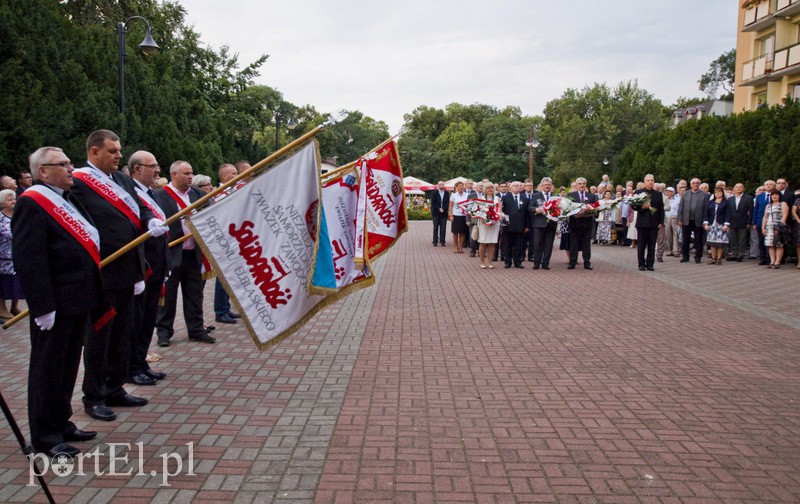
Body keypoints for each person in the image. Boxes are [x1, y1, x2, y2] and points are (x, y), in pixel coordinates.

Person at [13, 146, 103, 457]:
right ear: (43, 172)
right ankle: (44, 436)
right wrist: (42, 306)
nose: (70, 168)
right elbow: (29, 260)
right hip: (55, 304)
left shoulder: (67, 198)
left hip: (77, 300)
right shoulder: (32, 203)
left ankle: (61, 422)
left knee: (66, 367)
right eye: (62, 164)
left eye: (69, 162)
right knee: (47, 370)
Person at [71, 130, 166, 422]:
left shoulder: (122, 180)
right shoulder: (78, 183)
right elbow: (79, 224)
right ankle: (94, 396)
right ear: (94, 151)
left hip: (129, 271)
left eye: (119, 151)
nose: (118, 156)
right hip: (103, 274)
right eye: (112, 151)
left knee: (123, 334)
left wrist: (150, 220)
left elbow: (137, 210)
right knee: (100, 337)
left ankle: (115, 388)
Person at [156, 160, 214, 345]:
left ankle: (196, 330)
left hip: (193, 253)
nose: (190, 176)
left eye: (191, 173)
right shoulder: (160, 195)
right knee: (169, 295)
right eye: (186, 173)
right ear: (174, 175)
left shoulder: (197, 194)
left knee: (195, 294)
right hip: (172, 252)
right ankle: (164, 333)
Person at [127, 151, 169, 387]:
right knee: (137, 320)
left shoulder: (152, 193)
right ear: (136, 169)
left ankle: (142, 362)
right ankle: (132, 366)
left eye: (157, 165)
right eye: (151, 166)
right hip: (142, 269)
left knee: (148, 320)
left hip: (157, 268)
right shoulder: (129, 194)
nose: (157, 171)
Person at [211, 164, 240, 324]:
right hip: (224, 242)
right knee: (223, 277)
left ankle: (225, 307)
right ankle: (220, 311)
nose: (237, 176)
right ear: (224, 177)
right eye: (234, 173)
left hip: (233, 240)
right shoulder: (220, 194)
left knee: (229, 277)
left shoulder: (231, 192)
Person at [632, 174, 665, 271]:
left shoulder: (658, 194)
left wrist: (661, 222)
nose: (650, 182)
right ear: (644, 181)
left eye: (652, 180)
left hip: (654, 223)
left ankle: (650, 264)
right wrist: (642, 207)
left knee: (651, 245)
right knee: (641, 245)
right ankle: (641, 264)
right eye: (648, 180)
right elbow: (633, 206)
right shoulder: (638, 192)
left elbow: (661, 209)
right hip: (642, 223)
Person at [0, 189, 24, 319]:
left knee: (17, 281)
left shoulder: (17, 215)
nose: (13, 201)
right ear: (2, 203)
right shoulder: (0, 218)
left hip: (18, 255)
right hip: (4, 257)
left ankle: (14, 307)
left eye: (14, 199)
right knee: (4, 283)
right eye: (9, 200)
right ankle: (2, 309)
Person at [528, 177, 557, 269]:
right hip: (539, 223)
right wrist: (536, 209)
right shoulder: (536, 195)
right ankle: (536, 263)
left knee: (549, 244)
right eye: (545, 185)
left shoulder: (555, 196)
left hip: (551, 223)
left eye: (549, 185)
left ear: (551, 186)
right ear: (541, 186)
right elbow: (530, 207)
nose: (547, 186)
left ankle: (546, 263)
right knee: (537, 243)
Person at [677, 178, 709, 264]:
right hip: (686, 220)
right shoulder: (685, 194)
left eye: (697, 183)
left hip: (698, 220)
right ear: (690, 185)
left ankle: (698, 257)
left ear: (699, 184)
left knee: (698, 240)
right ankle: (685, 256)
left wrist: (705, 221)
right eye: (693, 183)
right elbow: (681, 207)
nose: (695, 184)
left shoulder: (705, 195)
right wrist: (679, 219)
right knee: (685, 240)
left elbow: (706, 209)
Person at [567, 178, 597, 270]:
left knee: (586, 244)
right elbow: (567, 209)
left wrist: (589, 211)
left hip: (587, 223)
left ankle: (587, 262)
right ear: (576, 185)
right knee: (574, 243)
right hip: (574, 223)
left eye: (583, 183)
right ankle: (572, 262)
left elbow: (596, 210)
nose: (582, 185)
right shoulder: (571, 195)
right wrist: (576, 213)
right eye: (580, 184)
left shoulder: (591, 196)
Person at [500, 181, 528, 268]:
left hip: (520, 225)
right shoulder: (505, 198)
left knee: (519, 245)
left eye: (518, 186)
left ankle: (518, 262)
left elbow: (527, 213)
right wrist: (502, 224)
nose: (517, 187)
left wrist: (527, 226)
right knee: (507, 244)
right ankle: (508, 261)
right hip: (508, 225)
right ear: (510, 188)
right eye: (514, 185)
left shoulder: (525, 198)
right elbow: (501, 211)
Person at [476, 184, 503, 269]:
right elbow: (477, 210)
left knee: (492, 242)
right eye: (487, 188)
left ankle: (490, 262)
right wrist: (484, 219)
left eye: (491, 188)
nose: (490, 189)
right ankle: (482, 262)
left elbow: (499, 210)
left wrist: (496, 218)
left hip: (495, 223)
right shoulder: (481, 199)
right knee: (483, 242)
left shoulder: (497, 199)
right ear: (484, 189)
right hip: (483, 223)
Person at [703, 186, 731, 265]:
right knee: (712, 243)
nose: (718, 194)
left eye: (719, 192)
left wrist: (726, 224)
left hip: (721, 225)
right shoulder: (710, 202)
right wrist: (706, 224)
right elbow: (706, 214)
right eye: (716, 192)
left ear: (722, 193)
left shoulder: (726, 202)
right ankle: (713, 258)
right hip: (712, 225)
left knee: (720, 243)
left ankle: (719, 258)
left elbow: (728, 214)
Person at [762, 189, 789, 269]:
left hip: (778, 227)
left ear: (779, 196)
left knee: (778, 245)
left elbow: (784, 216)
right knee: (770, 245)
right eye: (773, 195)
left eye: (776, 195)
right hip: (769, 227)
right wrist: (763, 228)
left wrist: (779, 227)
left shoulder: (783, 204)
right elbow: (765, 217)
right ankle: (772, 261)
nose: (774, 196)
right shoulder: (768, 205)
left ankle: (777, 262)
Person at [728, 183, 753, 262]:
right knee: (733, 239)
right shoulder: (730, 199)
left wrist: (749, 222)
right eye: (737, 187)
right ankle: (734, 253)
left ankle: (741, 254)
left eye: (740, 187)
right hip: (732, 221)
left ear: (743, 189)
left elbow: (751, 211)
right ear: (734, 189)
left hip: (743, 221)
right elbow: (728, 211)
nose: (738, 188)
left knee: (742, 239)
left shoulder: (748, 198)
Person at [752, 180, 776, 265]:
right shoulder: (759, 196)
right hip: (759, 221)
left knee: (771, 241)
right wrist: (754, 222)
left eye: (770, 184)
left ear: (774, 186)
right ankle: (763, 258)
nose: (768, 186)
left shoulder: (776, 196)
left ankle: (771, 259)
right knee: (761, 241)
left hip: (772, 222)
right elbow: (755, 210)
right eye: (767, 184)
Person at [448, 181, 469, 253]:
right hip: (456, 215)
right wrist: (451, 215)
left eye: (462, 186)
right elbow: (450, 206)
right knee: (455, 232)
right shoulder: (453, 195)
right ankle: (455, 246)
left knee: (463, 232)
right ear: (456, 187)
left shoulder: (466, 195)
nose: (461, 187)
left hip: (464, 215)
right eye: (459, 186)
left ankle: (460, 246)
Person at [429, 181, 449, 247]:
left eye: (443, 184)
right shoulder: (434, 193)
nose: (442, 185)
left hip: (444, 212)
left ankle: (442, 241)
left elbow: (447, 202)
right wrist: (439, 208)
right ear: (438, 185)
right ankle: (435, 241)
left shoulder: (446, 193)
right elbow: (433, 203)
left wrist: (443, 208)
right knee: (435, 227)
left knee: (443, 228)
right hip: (436, 213)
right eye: (440, 184)